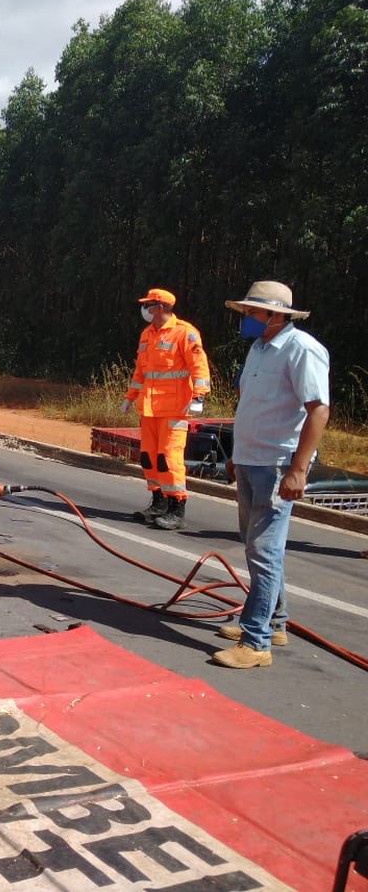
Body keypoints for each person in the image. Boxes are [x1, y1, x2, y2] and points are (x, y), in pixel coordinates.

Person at [214, 281, 329, 669]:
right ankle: (275, 622)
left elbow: (318, 411)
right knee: (256, 544)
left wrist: (298, 470)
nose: (245, 319)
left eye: (252, 312)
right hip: (251, 460)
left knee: (263, 552)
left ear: (277, 315)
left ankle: (256, 641)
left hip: (277, 465)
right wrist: (236, 455)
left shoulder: (303, 350)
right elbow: (249, 404)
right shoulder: (259, 349)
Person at [121, 288, 211, 531]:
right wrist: (130, 397)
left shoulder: (184, 333)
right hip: (149, 408)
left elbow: (199, 366)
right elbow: (140, 371)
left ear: (159, 307)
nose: (145, 309)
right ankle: (158, 502)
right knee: (149, 457)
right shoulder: (147, 334)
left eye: (148, 304)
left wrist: (199, 396)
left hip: (174, 409)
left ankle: (176, 507)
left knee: (168, 458)